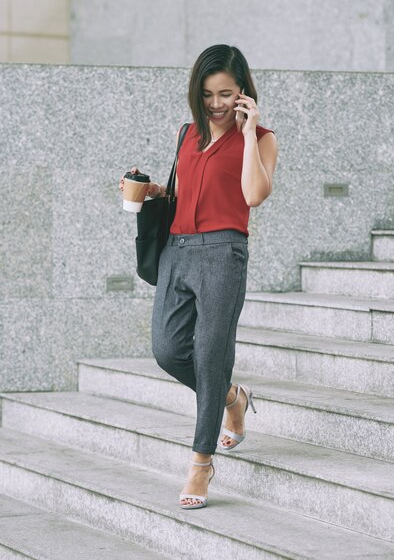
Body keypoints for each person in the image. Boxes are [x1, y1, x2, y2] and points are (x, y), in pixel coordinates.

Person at [119, 44, 278, 509]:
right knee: (168, 350)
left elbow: (253, 194)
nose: (215, 103)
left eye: (226, 93)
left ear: (243, 92)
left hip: (224, 253)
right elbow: (189, 189)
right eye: (208, 93)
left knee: (210, 353)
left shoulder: (263, 138)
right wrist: (153, 190)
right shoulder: (185, 133)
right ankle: (232, 397)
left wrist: (248, 134)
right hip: (178, 250)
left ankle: (200, 464)